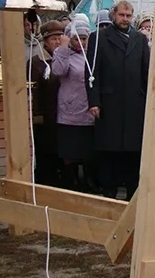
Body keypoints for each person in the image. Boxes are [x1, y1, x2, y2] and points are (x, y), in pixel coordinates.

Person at [87, 1, 150, 200]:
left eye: (128, 15)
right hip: (109, 105)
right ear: (113, 15)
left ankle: (133, 193)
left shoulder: (139, 40)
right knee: (109, 152)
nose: (125, 19)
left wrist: (148, 101)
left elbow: (146, 72)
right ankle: (109, 192)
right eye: (121, 15)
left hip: (134, 105)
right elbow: (90, 73)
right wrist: (94, 101)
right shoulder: (98, 38)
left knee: (133, 152)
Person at [53, 19, 97, 192]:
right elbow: (58, 71)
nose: (81, 42)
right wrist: (63, 49)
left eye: (84, 38)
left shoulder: (92, 54)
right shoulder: (62, 53)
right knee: (70, 152)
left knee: (88, 151)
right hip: (70, 112)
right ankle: (71, 181)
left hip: (88, 110)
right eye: (76, 38)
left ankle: (88, 181)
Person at [28, 20, 65, 187]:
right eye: (53, 39)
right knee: (45, 151)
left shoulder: (65, 59)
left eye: (59, 38)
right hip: (45, 115)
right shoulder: (36, 63)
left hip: (62, 114)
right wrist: (36, 114)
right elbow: (33, 91)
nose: (57, 42)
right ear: (45, 41)